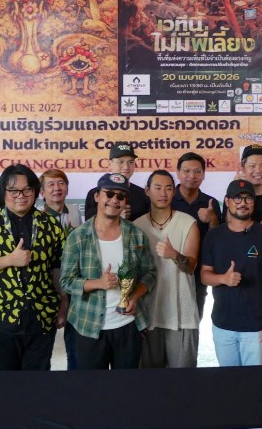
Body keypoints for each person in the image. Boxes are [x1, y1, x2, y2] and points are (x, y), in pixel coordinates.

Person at [0, 164, 66, 371]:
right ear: (3, 192)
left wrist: (64, 302)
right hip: (0, 317)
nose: (21, 196)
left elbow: (58, 268)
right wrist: (9, 260)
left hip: (42, 316)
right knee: (4, 384)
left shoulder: (51, 225)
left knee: (37, 384)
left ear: (35, 192)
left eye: (27, 190)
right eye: (13, 191)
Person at [61, 173, 157, 369]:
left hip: (127, 326)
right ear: (97, 196)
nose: (114, 200)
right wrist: (98, 283)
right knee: (94, 386)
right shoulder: (78, 237)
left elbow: (150, 273)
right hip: (89, 326)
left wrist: (135, 296)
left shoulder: (137, 235)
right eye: (109, 194)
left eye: (121, 196)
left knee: (125, 385)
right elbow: (66, 281)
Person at [201, 179, 262, 367]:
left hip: (256, 326)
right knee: (228, 379)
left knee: (255, 381)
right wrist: (223, 278)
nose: (243, 203)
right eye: (237, 198)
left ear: (254, 202)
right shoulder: (214, 236)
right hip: (222, 324)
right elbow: (204, 275)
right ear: (227, 201)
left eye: (248, 198)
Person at [135, 170, 200, 368]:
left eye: (168, 188)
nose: (163, 193)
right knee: (150, 379)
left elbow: (191, 266)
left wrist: (173, 254)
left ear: (174, 192)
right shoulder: (136, 226)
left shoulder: (188, 223)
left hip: (182, 315)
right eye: (157, 188)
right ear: (147, 191)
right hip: (148, 314)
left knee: (182, 379)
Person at [39, 169, 82, 369]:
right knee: (42, 350)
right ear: (42, 192)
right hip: (48, 289)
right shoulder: (38, 218)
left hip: (74, 286)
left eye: (61, 183)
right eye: (51, 184)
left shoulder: (74, 211)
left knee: (76, 347)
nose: (57, 188)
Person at [172, 151, 222, 320]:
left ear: (203, 175)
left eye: (197, 171)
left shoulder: (211, 203)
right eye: (186, 171)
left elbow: (217, 241)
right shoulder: (166, 200)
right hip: (168, 268)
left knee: (193, 319)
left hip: (198, 274)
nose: (192, 176)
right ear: (178, 173)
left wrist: (213, 220)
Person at [84, 142, 150, 221]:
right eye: (120, 162)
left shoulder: (143, 195)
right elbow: (90, 226)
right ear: (110, 164)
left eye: (130, 162)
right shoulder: (96, 194)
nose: (126, 167)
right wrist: (115, 216)